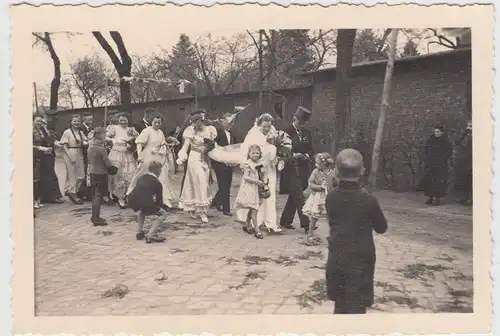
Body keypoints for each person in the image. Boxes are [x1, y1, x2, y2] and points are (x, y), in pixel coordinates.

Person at [325, 149, 388, 314]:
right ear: (362, 171)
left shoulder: (331, 196)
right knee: (358, 306)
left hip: (337, 255)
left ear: (337, 171)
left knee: (340, 304)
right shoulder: (368, 200)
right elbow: (382, 228)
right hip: (362, 258)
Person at [235, 113, 283, 234]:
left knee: (269, 194)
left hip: (269, 169)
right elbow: (246, 152)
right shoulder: (253, 136)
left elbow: (273, 152)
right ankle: (255, 221)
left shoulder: (273, 134)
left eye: (269, 126)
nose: (267, 129)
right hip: (256, 170)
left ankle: (270, 223)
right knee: (256, 196)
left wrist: (274, 146)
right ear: (259, 125)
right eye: (264, 126)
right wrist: (250, 166)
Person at [126, 113, 176, 210]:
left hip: (159, 156)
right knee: (142, 175)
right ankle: (131, 196)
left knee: (162, 177)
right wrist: (140, 156)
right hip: (148, 156)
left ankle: (164, 200)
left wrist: (167, 143)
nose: (157, 124)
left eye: (159, 122)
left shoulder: (160, 132)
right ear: (151, 122)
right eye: (155, 122)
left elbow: (161, 142)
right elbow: (139, 143)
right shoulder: (146, 131)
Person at [176, 110, 217, 223]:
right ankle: (200, 211)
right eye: (193, 122)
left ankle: (200, 207)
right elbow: (185, 147)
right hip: (194, 158)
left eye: (197, 122)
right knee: (198, 181)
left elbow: (212, 144)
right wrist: (181, 157)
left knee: (205, 182)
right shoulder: (190, 131)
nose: (194, 124)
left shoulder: (209, 130)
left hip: (205, 158)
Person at [279, 106, 314, 232]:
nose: (300, 125)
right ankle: (307, 224)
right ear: (294, 118)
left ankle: (285, 220)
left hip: (303, 168)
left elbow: (310, 148)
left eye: (303, 123)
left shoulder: (307, 133)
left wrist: (307, 155)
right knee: (299, 196)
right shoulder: (286, 132)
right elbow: (282, 151)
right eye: (299, 122)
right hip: (290, 168)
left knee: (295, 195)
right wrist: (294, 156)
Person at [127, 161, 169, 244]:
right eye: (160, 170)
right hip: (145, 202)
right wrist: (161, 208)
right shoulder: (157, 183)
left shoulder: (142, 177)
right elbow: (159, 201)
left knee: (141, 211)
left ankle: (139, 232)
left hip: (132, 199)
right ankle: (150, 235)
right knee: (163, 214)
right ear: (158, 170)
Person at [234, 144, 268, 239]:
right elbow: (245, 177)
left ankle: (246, 224)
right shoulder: (248, 164)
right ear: (249, 154)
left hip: (259, 188)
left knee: (254, 206)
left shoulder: (261, 163)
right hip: (250, 187)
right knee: (254, 209)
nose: (255, 155)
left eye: (257, 153)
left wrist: (265, 181)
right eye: (253, 153)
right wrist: (256, 181)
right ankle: (257, 229)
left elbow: (264, 173)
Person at [106, 113, 139, 209]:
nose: (123, 122)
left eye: (125, 120)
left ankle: (127, 196)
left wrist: (132, 143)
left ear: (128, 120)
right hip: (117, 154)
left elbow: (138, 139)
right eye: (121, 120)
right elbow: (106, 136)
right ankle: (120, 198)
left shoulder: (131, 130)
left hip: (128, 155)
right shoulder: (114, 128)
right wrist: (114, 140)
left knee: (129, 176)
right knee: (118, 176)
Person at [87, 127, 118, 226]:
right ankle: (96, 217)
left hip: (93, 172)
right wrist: (114, 169)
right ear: (99, 135)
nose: (105, 136)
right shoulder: (101, 149)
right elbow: (107, 163)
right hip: (100, 174)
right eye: (104, 134)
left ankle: (95, 216)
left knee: (94, 195)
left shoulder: (90, 147)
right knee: (98, 196)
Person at [302, 152, 334, 242]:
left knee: (330, 217)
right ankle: (310, 234)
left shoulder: (332, 173)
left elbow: (336, 183)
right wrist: (320, 187)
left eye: (317, 163)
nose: (316, 165)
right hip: (317, 197)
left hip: (328, 198)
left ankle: (333, 235)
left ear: (324, 164)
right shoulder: (316, 172)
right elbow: (310, 183)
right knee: (314, 216)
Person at [33, 114, 64, 205]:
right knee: (42, 177)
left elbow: (50, 140)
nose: (40, 123)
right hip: (39, 156)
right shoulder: (32, 131)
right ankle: (44, 197)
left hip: (47, 156)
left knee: (50, 176)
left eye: (42, 122)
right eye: (38, 121)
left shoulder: (43, 130)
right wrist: (40, 148)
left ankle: (51, 197)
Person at [418, 125, 453, 206]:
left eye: (438, 132)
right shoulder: (430, 140)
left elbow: (449, 152)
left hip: (441, 165)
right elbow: (426, 150)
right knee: (430, 181)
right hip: (430, 164)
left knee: (439, 182)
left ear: (442, 132)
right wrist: (427, 159)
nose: (436, 133)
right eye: (435, 132)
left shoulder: (446, 142)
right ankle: (430, 198)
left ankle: (437, 199)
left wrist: (443, 160)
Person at [211, 113, 237, 216]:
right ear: (223, 122)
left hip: (229, 162)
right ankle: (226, 209)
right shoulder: (217, 132)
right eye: (229, 122)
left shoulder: (232, 134)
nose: (231, 124)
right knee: (224, 184)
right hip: (219, 163)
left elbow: (234, 146)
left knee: (227, 183)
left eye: (233, 122)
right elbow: (212, 145)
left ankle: (216, 202)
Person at [59, 115, 89, 205]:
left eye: (77, 121)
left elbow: (86, 141)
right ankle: (72, 192)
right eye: (74, 121)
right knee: (72, 174)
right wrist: (70, 156)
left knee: (81, 176)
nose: (76, 123)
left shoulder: (80, 132)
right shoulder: (67, 132)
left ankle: (73, 191)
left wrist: (85, 143)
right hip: (70, 151)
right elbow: (64, 145)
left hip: (79, 152)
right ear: (71, 122)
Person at [454, 120, 473, 205]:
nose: (469, 128)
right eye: (468, 126)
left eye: (471, 126)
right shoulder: (466, 135)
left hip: (473, 159)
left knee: (472, 180)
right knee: (465, 179)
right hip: (465, 160)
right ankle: (465, 198)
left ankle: (472, 198)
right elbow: (457, 142)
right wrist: (465, 134)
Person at [78, 112, 94, 201]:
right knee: (84, 172)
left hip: (90, 152)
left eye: (91, 119)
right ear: (84, 119)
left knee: (90, 172)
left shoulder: (92, 128)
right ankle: (81, 192)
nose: (90, 121)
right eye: (88, 120)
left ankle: (88, 192)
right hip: (83, 153)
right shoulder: (80, 129)